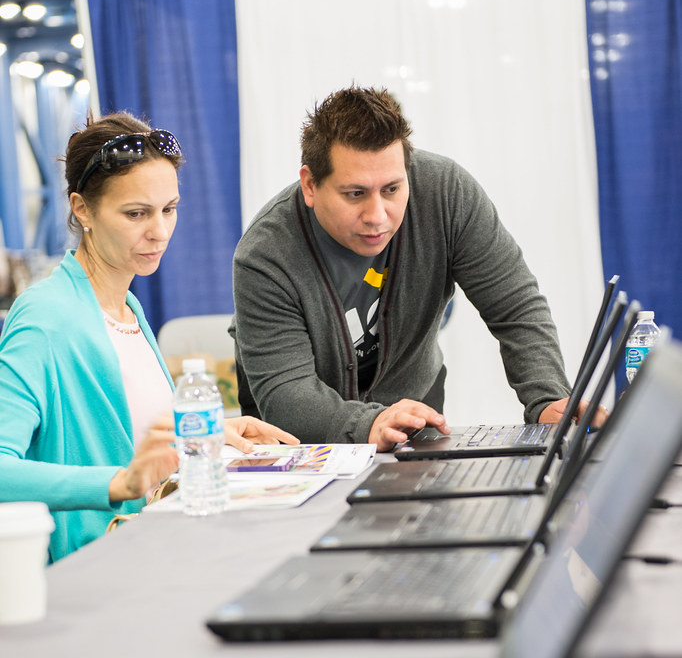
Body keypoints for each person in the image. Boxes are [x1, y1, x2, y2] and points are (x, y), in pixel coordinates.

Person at [231, 85, 603, 450]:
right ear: (311, 185)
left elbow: (515, 306)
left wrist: (547, 399)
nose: (377, 216)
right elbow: (287, 392)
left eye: (392, 190)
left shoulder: (447, 194)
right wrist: (369, 424)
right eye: (355, 194)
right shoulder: (265, 254)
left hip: (414, 423)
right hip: (302, 446)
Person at [0, 112, 298, 563]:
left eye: (169, 209)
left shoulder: (128, 308)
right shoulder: (46, 317)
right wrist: (119, 484)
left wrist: (207, 434)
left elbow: (129, 441)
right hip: (91, 569)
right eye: (136, 213)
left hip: (144, 551)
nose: (159, 231)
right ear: (82, 209)